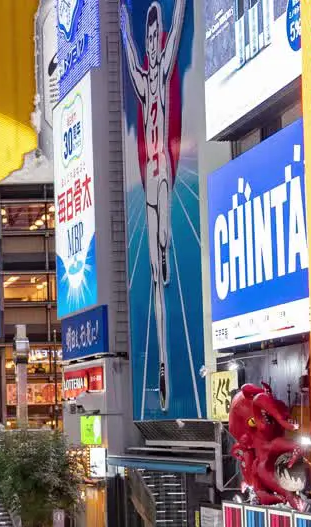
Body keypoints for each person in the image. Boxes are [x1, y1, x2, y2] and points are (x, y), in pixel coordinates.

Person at [121, 0, 186, 410]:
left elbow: (178, 28)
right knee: (154, 273)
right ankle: (163, 362)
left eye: (153, 34)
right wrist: (126, 27)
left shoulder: (160, 77)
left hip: (163, 177)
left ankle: (169, 362)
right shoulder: (146, 83)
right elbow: (129, 61)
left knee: (162, 250)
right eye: (147, 38)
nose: (152, 42)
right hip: (148, 182)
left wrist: (178, 6)